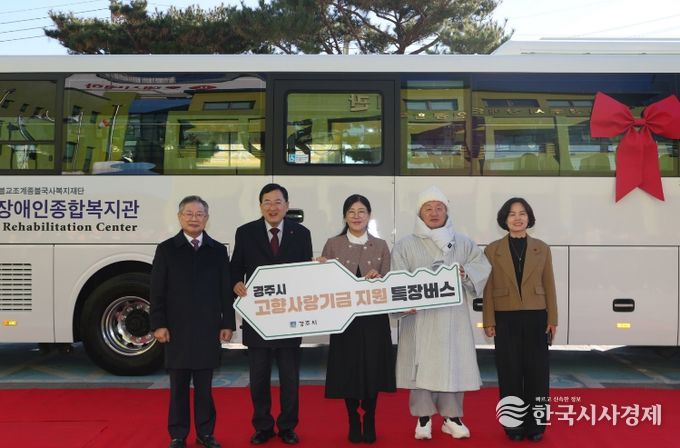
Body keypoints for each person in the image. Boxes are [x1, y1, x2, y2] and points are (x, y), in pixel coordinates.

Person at [393, 186, 490, 441]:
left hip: (452, 317)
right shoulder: (405, 245)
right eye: (428, 208)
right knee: (420, 366)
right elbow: (396, 280)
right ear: (420, 213)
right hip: (420, 318)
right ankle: (423, 418)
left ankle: (452, 417)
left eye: (439, 208)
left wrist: (465, 273)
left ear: (447, 212)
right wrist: (405, 302)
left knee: (452, 365)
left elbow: (481, 266)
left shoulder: (463, 242)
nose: (434, 213)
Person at [150, 195, 235, 448]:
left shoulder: (217, 250)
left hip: (208, 329)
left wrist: (227, 324)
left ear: (207, 218)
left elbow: (225, 291)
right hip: (176, 330)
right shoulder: (166, 249)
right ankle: (178, 435)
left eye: (199, 214)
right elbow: (156, 290)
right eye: (189, 214)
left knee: (204, 388)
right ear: (179, 217)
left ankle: (205, 433)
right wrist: (158, 324)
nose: (194, 219)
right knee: (178, 387)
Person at [231, 183, 313, 445]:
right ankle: (263, 426)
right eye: (267, 202)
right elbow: (235, 269)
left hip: (289, 318)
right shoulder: (245, 233)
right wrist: (236, 283)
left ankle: (288, 426)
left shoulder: (301, 233)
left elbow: (306, 273)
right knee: (258, 378)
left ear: (287, 206)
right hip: (259, 318)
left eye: (278, 202)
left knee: (290, 378)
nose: (273, 207)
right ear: (260, 206)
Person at [320, 194, 395, 444]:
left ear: (369, 216)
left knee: (373, 368)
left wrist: (380, 279)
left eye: (361, 211)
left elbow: (390, 283)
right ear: (344, 216)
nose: (356, 216)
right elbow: (323, 285)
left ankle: (370, 418)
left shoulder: (381, 245)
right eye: (351, 212)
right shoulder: (333, 244)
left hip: (374, 321)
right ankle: (353, 418)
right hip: (344, 320)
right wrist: (320, 268)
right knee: (347, 369)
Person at [482, 198, 558, 442]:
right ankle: (513, 427)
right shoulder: (492, 250)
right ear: (504, 219)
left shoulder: (542, 248)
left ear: (529, 218)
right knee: (509, 372)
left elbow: (549, 284)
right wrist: (489, 319)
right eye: (512, 214)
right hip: (505, 318)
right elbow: (488, 287)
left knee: (538, 373)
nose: (517, 218)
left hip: (537, 316)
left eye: (522, 213)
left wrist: (552, 318)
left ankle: (536, 427)